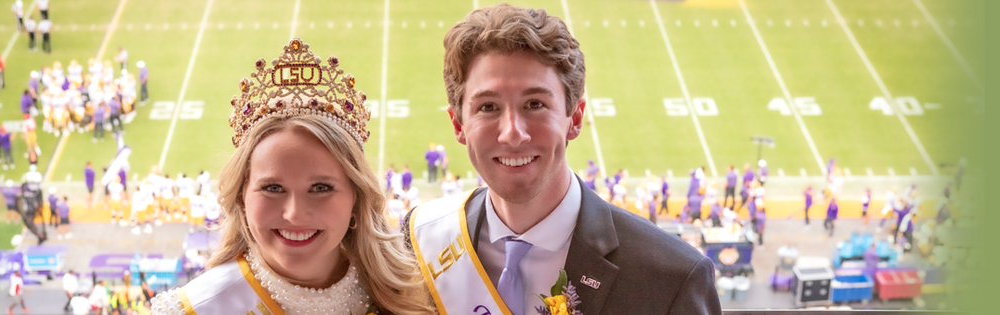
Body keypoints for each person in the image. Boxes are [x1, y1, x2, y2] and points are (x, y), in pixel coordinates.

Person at [406, 5, 721, 314]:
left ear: (576, 118)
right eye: (488, 107)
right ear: (458, 125)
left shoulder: (671, 279)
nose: (512, 134)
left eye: (534, 103)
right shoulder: (418, 244)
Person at [150, 38, 434, 314]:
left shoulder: (416, 292)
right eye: (273, 188)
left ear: (356, 200)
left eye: (321, 187)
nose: (294, 214)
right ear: (241, 198)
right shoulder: (192, 309)